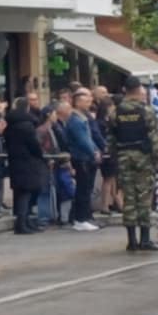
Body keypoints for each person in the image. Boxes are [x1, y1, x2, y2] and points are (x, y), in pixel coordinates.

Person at [108, 81, 158, 252]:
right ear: (139, 90)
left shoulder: (115, 112)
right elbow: (154, 139)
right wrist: (157, 160)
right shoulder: (146, 110)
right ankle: (145, 239)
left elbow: (112, 139)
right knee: (144, 198)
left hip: (124, 157)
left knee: (129, 198)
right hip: (143, 157)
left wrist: (116, 158)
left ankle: (131, 240)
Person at [3, 93, 48, 235]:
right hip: (28, 162)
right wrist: (41, 155)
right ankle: (22, 223)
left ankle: (25, 221)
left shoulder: (10, 125)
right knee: (26, 194)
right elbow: (33, 145)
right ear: (27, 108)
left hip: (16, 161)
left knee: (22, 193)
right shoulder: (27, 125)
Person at [56, 95, 100, 231]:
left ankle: (82, 218)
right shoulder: (76, 120)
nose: (89, 103)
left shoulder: (81, 118)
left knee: (85, 189)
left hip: (83, 156)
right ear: (78, 103)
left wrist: (95, 149)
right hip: (80, 157)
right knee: (82, 189)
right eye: (86, 101)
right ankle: (80, 219)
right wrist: (93, 152)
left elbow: (88, 138)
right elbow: (83, 140)